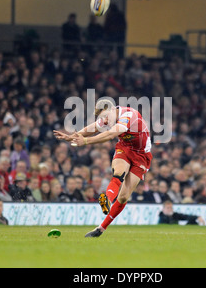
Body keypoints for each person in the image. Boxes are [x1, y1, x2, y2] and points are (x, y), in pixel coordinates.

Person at [54, 98, 152, 237]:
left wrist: (86, 141)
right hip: (124, 149)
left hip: (141, 155)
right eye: (102, 118)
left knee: (124, 197)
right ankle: (107, 198)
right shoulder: (108, 117)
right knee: (118, 172)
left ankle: (100, 229)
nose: (105, 121)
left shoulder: (128, 115)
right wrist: (72, 137)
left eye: (105, 117)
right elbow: (92, 128)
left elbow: (111, 134)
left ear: (113, 109)